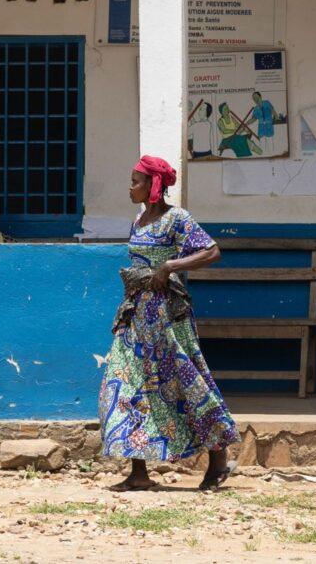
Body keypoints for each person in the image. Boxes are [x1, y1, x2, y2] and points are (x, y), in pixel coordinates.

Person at [99, 154, 240, 490]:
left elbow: (212, 251)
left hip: (167, 318)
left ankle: (218, 459)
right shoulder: (139, 219)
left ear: (153, 185)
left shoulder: (176, 218)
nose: (130, 187)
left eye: (136, 181)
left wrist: (170, 267)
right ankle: (138, 473)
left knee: (187, 384)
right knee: (126, 387)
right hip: (136, 316)